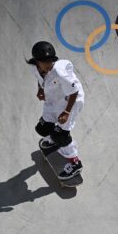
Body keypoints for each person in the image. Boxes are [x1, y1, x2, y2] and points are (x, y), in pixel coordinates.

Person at [26, 41, 85, 180]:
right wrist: (40, 89)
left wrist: (66, 112)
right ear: (37, 62)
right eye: (44, 62)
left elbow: (74, 92)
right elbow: (39, 78)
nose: (48, 64)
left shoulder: (59, 71)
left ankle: (75, 163)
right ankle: (53, 141)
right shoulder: (34, 67)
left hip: (71, 101)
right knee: (43, 128)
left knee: (61, 135)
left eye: (51, 61)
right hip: (53, 99)